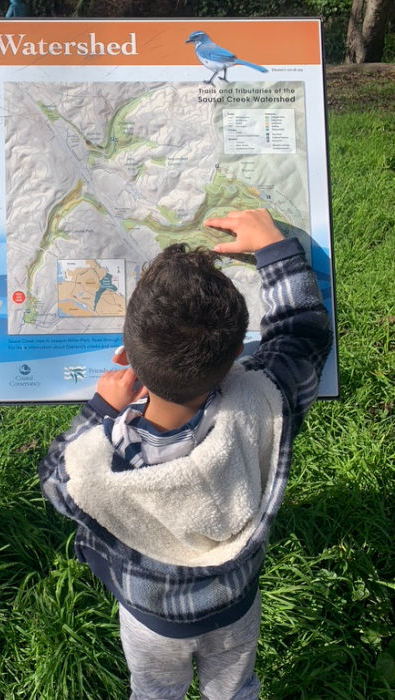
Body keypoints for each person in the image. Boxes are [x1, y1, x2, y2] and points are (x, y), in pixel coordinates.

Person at [38, 209, 332, 699]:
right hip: (235, 603)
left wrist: (100, 410)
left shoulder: (108, 455)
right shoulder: (264, 404)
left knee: (155, 693)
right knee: (235, 689)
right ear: (238, 349)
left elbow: (57, 479)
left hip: (151, 619)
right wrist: (274, 251)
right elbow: (302, 334)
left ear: (127, 356)